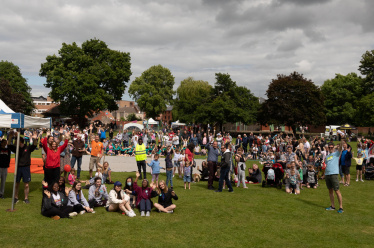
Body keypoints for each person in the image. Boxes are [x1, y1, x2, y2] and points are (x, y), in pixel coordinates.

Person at [8, 131, 38, 204]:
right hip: (18, 167)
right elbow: (8, 144)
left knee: (26, 184)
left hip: (26, 168)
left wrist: (34, 138)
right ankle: (16, 197)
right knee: (17, 183)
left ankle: (26, 198)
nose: (15, 142)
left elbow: (34, 145)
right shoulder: (16, 148)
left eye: (16, 141)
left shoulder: (27, 148)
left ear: (20, 142)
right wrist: (10, 137)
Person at [325, 142, 344, 213]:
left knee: (337, 190)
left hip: (334, 174)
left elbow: (340, 148)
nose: (330, 148)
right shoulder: (327, 156)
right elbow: (326, 164)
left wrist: (341, 141)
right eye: (329, 147)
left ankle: (341, 207)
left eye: (331, 147)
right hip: (327, 174)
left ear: (333, 147)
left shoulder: (336, 154)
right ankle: (332, 206)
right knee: (330, 190)